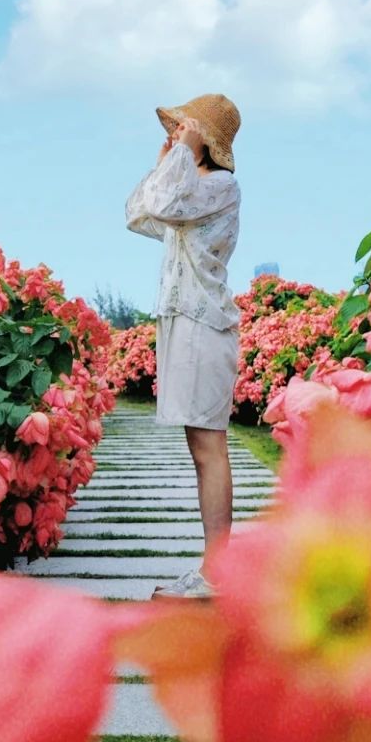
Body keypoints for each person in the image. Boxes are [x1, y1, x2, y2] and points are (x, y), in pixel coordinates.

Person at [125, 92, 241, 599]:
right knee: (200, 447)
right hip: (184, 324)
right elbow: (139, 214)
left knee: (210, 446)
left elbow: (167, 202)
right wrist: (165, 163)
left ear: (205, 140)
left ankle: (218, 573)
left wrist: (179, 157)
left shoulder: (220, 185)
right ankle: (213, 569)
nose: (173, 137)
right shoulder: (189, 188)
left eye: (183, 130)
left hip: (206, 325)